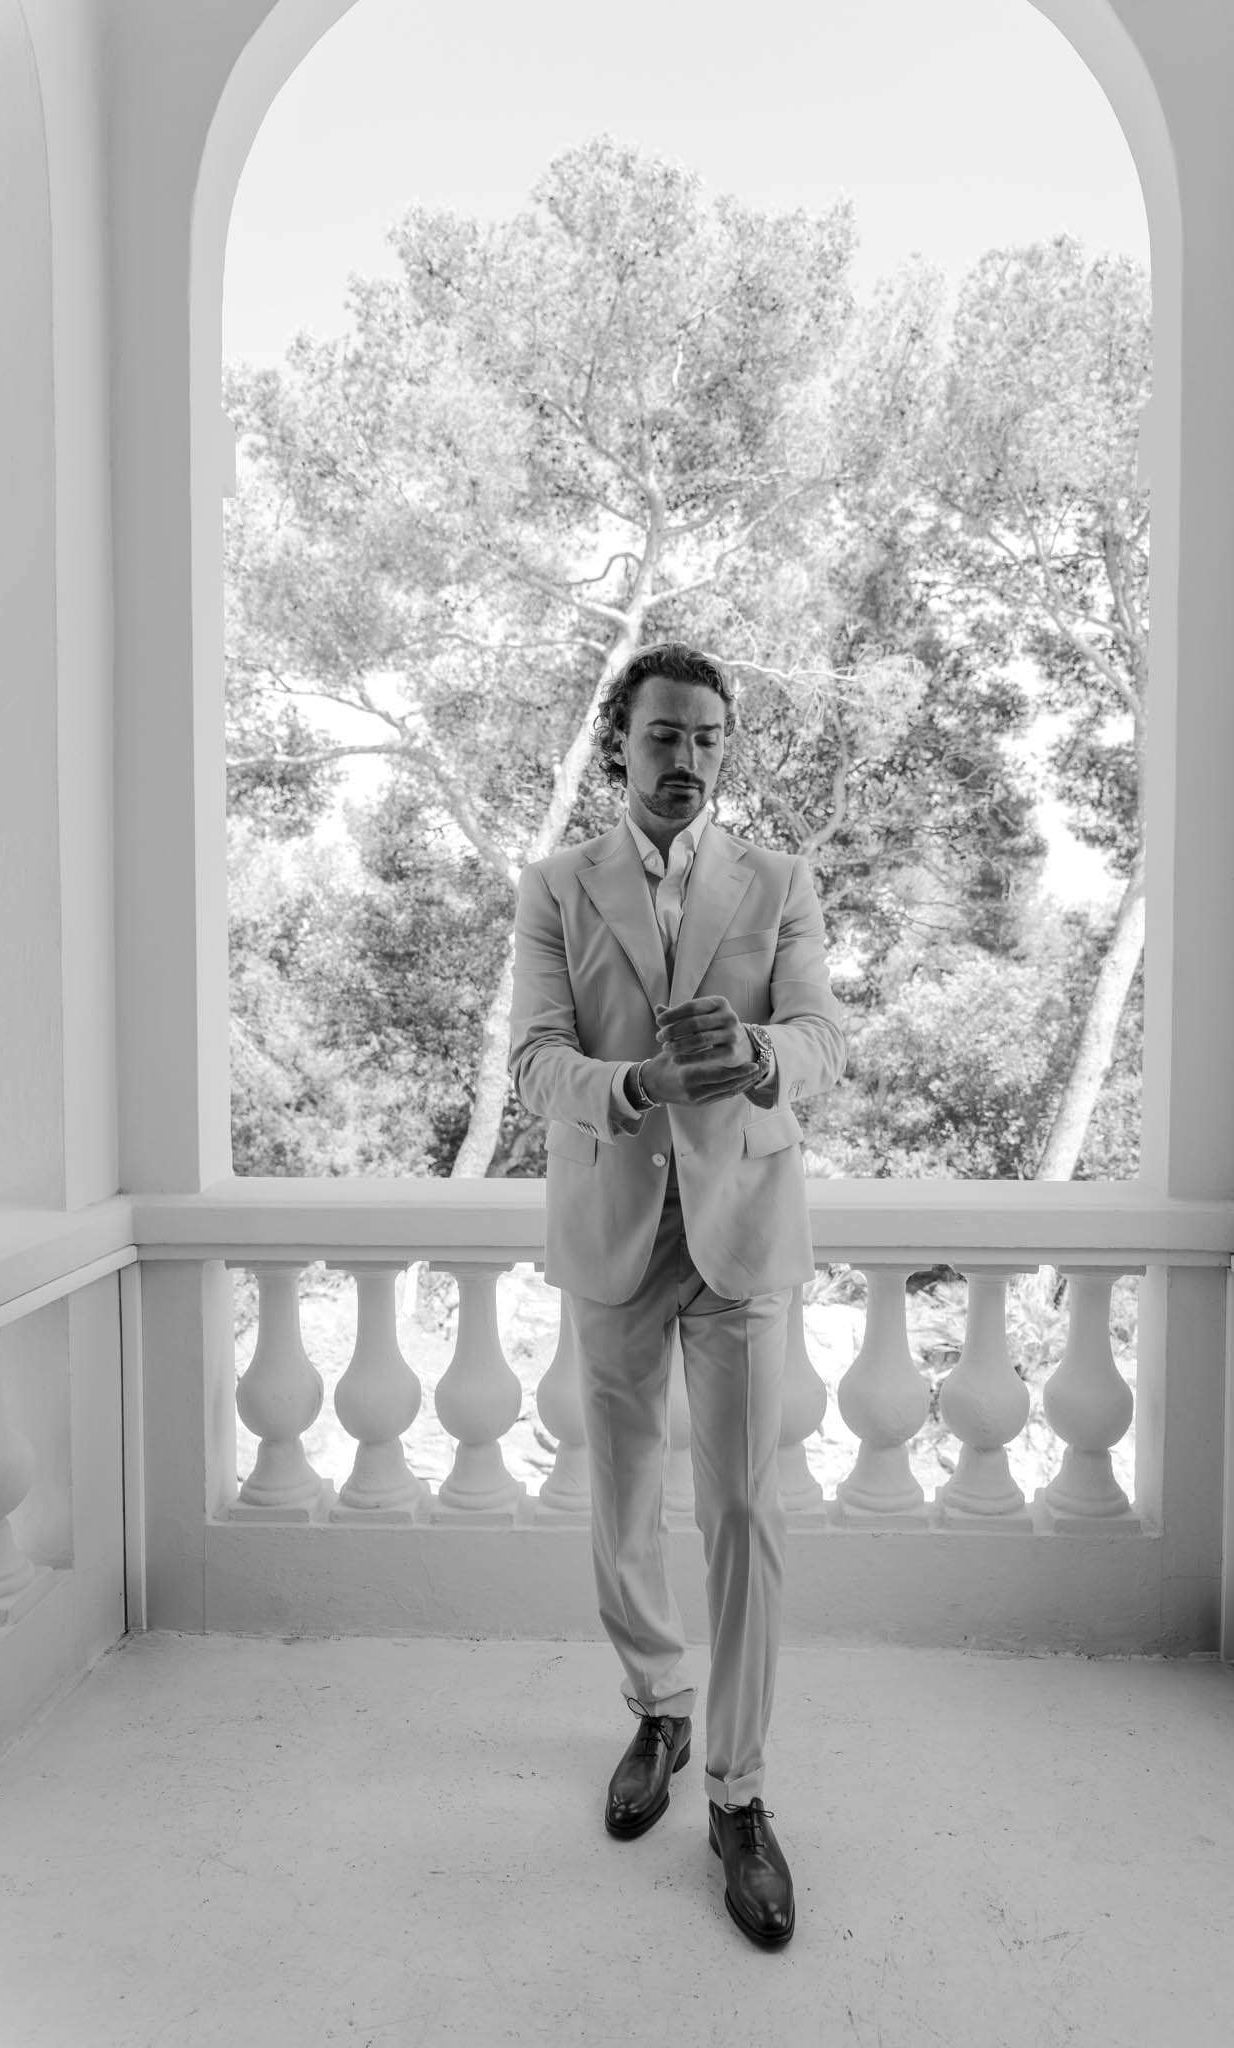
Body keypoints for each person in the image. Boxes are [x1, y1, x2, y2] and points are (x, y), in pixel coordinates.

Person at [507, 641, 846, 1950]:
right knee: (625, 1498)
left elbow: (819, 1041)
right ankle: (658, 1705)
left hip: (741, 1232)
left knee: (747, 1506)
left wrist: (757, 1054)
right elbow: (538, 1061)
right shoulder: (554, 886)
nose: (684, 759)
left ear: (724, 752)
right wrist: (635, 1086)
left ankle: (740, 1796)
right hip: (612, 1235)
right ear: (619, 742)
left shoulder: (781, 881)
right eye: (662, 736)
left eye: (706, 739)